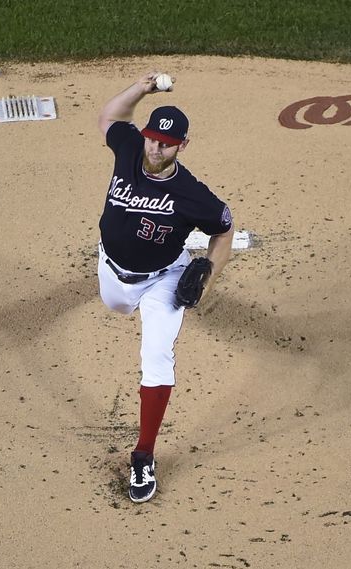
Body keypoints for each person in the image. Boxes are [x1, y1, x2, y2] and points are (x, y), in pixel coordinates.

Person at [96, 71, 235, 503]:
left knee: (156, 356)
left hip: (164, 279)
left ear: (182, 147)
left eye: (167, 143)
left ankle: (144, 455)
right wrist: (142, 88)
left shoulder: (192, 195)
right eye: (153, 138)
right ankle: (121, 278)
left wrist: (208, 275)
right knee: (116, 303)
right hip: (113, 274)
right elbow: (109, 116)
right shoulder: (129, 146)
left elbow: (226, 229)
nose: (156, 148)